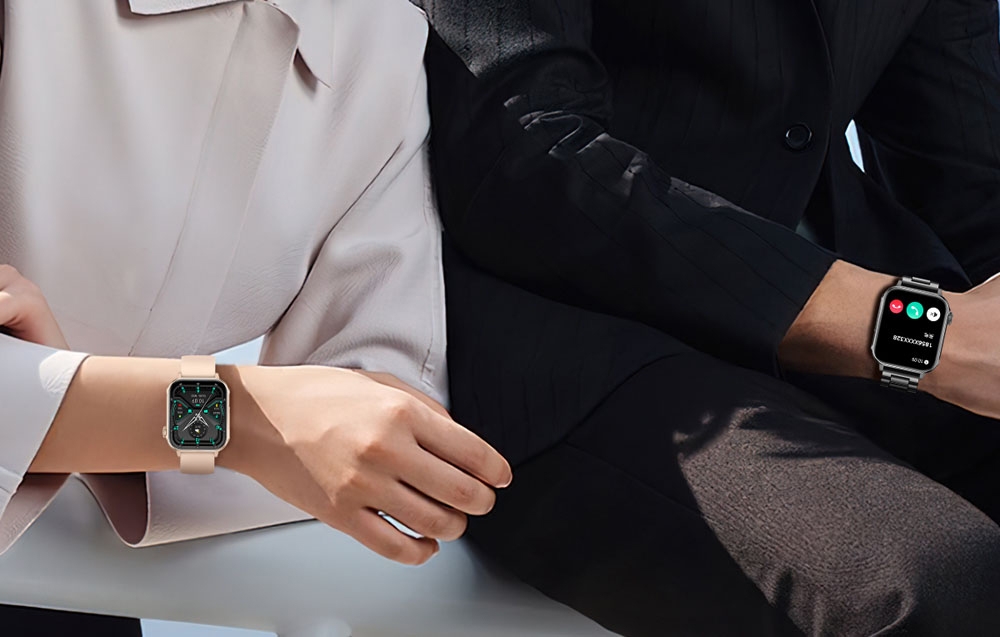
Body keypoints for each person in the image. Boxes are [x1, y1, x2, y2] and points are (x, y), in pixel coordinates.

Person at [417, 0, 1000, 634]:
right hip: (572, 351)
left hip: (842, 299)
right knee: (946, 584)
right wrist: (911, 331)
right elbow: (525, 158)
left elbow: (968, 181)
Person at [0, 0, 511, 633]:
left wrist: (76, 403)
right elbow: (299, 432)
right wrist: (239, 421)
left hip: (68, 587)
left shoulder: (379, 38)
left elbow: (382, 433)